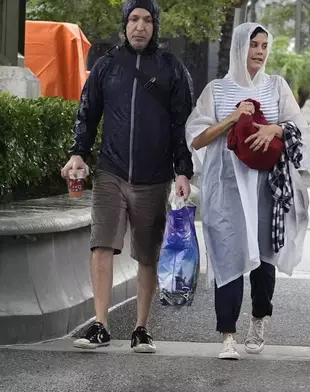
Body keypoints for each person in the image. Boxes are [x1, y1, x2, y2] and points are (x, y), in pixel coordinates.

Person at [61, 0, 194, 353]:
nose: (139, 26)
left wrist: (184, 171)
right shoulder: (107, 66)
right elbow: (87, 115)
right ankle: (101, 325)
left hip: (155, 177)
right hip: (111, 172)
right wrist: (78, 152)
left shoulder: (171, 68)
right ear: (125, 24)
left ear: (155, 26)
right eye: (133, 19)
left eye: (147, 20)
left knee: (147, 255)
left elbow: (183, 123)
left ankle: (141, 329)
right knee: (101, 245)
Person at [185, 22, 310, 361]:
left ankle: (258, 318)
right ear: (239, 47)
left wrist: (272, 128)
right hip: (225, 184)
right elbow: (196, 138)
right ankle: (227, 333)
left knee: (264, 256)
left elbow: (299, 128)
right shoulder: (216, 89)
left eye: (264, 45)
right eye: (253, 44)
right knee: (226, 253)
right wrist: (232, 118)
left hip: (266, 185)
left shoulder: (276, 86)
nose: (259, 51)